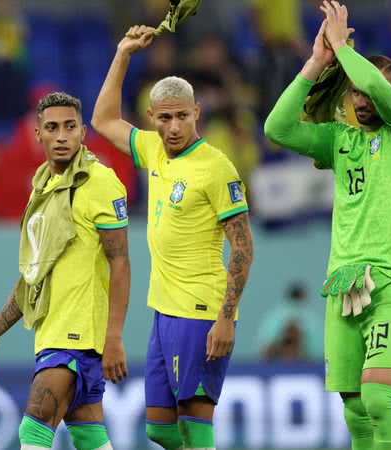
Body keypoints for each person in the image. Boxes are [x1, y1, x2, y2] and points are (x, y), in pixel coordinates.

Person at [263, 3, 391, 449]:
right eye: (353, 93)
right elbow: (276, 128)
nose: (360, 99)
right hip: (343, 282)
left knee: (380, 400)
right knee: (356, 412)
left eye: (369, 91)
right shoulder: (341, 141)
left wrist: (340, 44)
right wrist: (317, 62)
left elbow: (375, 82)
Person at [91, 25, 254, 450]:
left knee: (196, 428)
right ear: (153, 119)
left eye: (183, 115)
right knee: (159, 429)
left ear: (197, 112)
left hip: (201, 310)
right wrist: (124, 52)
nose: (175, 126)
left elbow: (242, 245)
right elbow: (103, 120)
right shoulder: (153, 150)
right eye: (165, 118)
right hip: (164, 310)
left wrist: (225, 317)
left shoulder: (216, 167)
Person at [0, 92, 131, 450]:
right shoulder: (42, 186)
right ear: (38, 134)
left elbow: (120, 261)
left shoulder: (99, 182)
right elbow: (33, 277)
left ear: (83, 132)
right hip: (52, 333)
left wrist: (114, 336)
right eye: (52, 128)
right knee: (89, 434)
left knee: (34, 429)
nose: (61, 136)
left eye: (70, 127)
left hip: (76, 337)